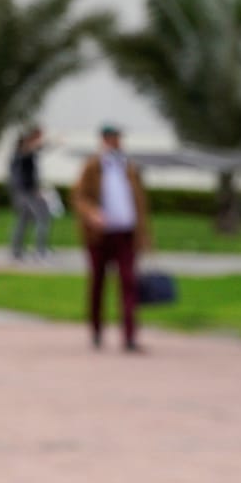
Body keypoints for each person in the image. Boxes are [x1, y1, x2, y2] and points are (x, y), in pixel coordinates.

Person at [73, 123, 152, 353]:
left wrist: (143, 234)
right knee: (98, 282)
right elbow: (79, 197)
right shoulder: (93, 166)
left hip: (125, 233)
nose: (116, 142)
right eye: (112, 138)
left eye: (118, 138)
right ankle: (96, 330)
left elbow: (140, 202)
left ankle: (129, 335)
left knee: (128, 282)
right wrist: (92, 214)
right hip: (100, 235)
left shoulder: (129, 167)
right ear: (104, 140)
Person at [9, 125, 52, 261]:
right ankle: (39, 250)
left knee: (23, 220)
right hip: (26, 192)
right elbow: (30, 150)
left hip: (25, 191)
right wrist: (35, 190)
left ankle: (17, 250)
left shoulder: (26, 152)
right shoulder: (23, 152)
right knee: (42, 218)